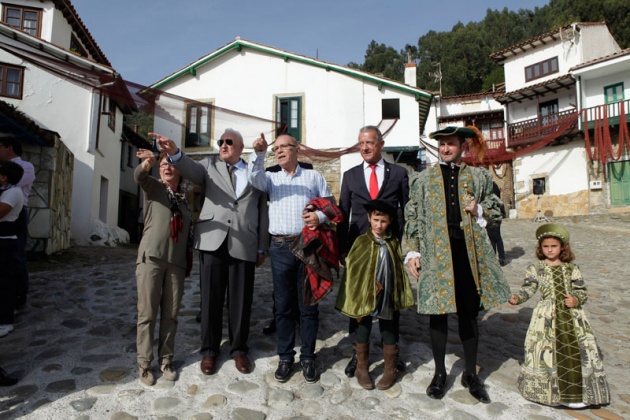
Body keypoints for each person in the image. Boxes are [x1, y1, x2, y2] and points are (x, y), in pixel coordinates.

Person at [403, 126, 510, 403]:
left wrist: (479, 210)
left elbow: (499, 208)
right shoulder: (423, 180)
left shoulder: (478, 177)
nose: (446, 149)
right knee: (437, 314)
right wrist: (413, 251)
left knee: (468, 313)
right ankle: (439, 373)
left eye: (451, 144)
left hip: (468, 252)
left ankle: (471, 374)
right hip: (435, 252)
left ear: (462, 146)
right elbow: (412, 214)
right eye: (442, 145)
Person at [155, 130, 269, 376]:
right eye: (221, 142)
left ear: (240, 147)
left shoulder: (254, 173)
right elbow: (189, 168)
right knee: (210, 299)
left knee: (241, 301)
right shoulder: (208, 165)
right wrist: (174, 151)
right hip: (211, 240)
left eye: (229, 142)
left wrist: (262, 246)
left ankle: (239, 349)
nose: (223, 145)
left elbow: (261, 210)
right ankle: (209, 350)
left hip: (244, 241)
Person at [249, 133, 333, 384]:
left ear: (296, 149)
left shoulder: (313, 176)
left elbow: (330, 206)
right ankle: (285, 357)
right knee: (283, 306)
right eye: (276, 149)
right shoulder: (271, 178)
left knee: (308, 305)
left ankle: (308, 356)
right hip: (281, 247)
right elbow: (254, 180)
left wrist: (320, 218)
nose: (279, 152)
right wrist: (260, 153)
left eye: (283, 147)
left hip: (307, 246)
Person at [508, 223, 609, 408]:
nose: (549, 250)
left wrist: (576, 299)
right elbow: (529, 288)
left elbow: (581, 290)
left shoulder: (571, 268)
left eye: (553, 246)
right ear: (540, 248)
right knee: (548, 352)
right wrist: (518, 298)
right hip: (546, 316)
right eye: (546, 247)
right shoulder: (535, 268)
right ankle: (551, 394)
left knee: (574, 352)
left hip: (572, 315)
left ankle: (577, 396)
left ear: (562, 247)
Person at [338, 125, 409, 377]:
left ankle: (393, 354)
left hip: (388, 249)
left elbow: (407, 213)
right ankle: (358, 358)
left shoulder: (399, 173)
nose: (364, 148)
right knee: (357, 304)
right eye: (360, 144)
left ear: (381, 144)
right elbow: (342, 214)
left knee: (390, 303)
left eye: (369, 143)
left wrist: (406, 247)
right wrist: (342, 250)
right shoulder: (350, 175)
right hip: (359, 250)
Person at [335, 199, 414, 390]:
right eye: (376, 220)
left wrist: (398, 293)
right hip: (365, 293)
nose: (379, 225)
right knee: (363, 326)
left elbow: (397, 270)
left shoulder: (393, 243)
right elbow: (353, 271)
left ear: (390, 222)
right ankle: (361, 367)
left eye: (384, 221)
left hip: (387, 294)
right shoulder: (360, 242)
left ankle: (389, 369)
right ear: (369, 218)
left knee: (389, 328)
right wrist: (356, 293)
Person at [134, 149, 192, 385]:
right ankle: (144, 363)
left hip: (176, 263)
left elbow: (188, 233)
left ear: (179, 169)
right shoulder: (155, 189)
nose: (167, 168)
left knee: (171, 315)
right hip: (152, 259)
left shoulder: (186, 199)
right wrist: (148, 162)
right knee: (147, 314)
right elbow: (138, 177)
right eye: (163, 165)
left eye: (171, 165)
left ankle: (166, 360)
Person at [0, 135, 35, 308]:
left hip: (16, 211)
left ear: (9, 148)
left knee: (17, 254)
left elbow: (15, 183)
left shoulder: (25, 167)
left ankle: (19, 294)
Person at [0, 160, 24, 338]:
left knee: (5, 283)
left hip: (5, 242)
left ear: (4, 177)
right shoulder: (6, 191)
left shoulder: (13, 193)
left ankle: (5, 321)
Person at [487, 182, 507, 266]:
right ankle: (501, 257)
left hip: (492, 218)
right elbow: (502, 208)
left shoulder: (490, 198)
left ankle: (496, 257)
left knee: (493, 238)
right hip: (497, 218)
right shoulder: (498, 199)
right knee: (497, 238)